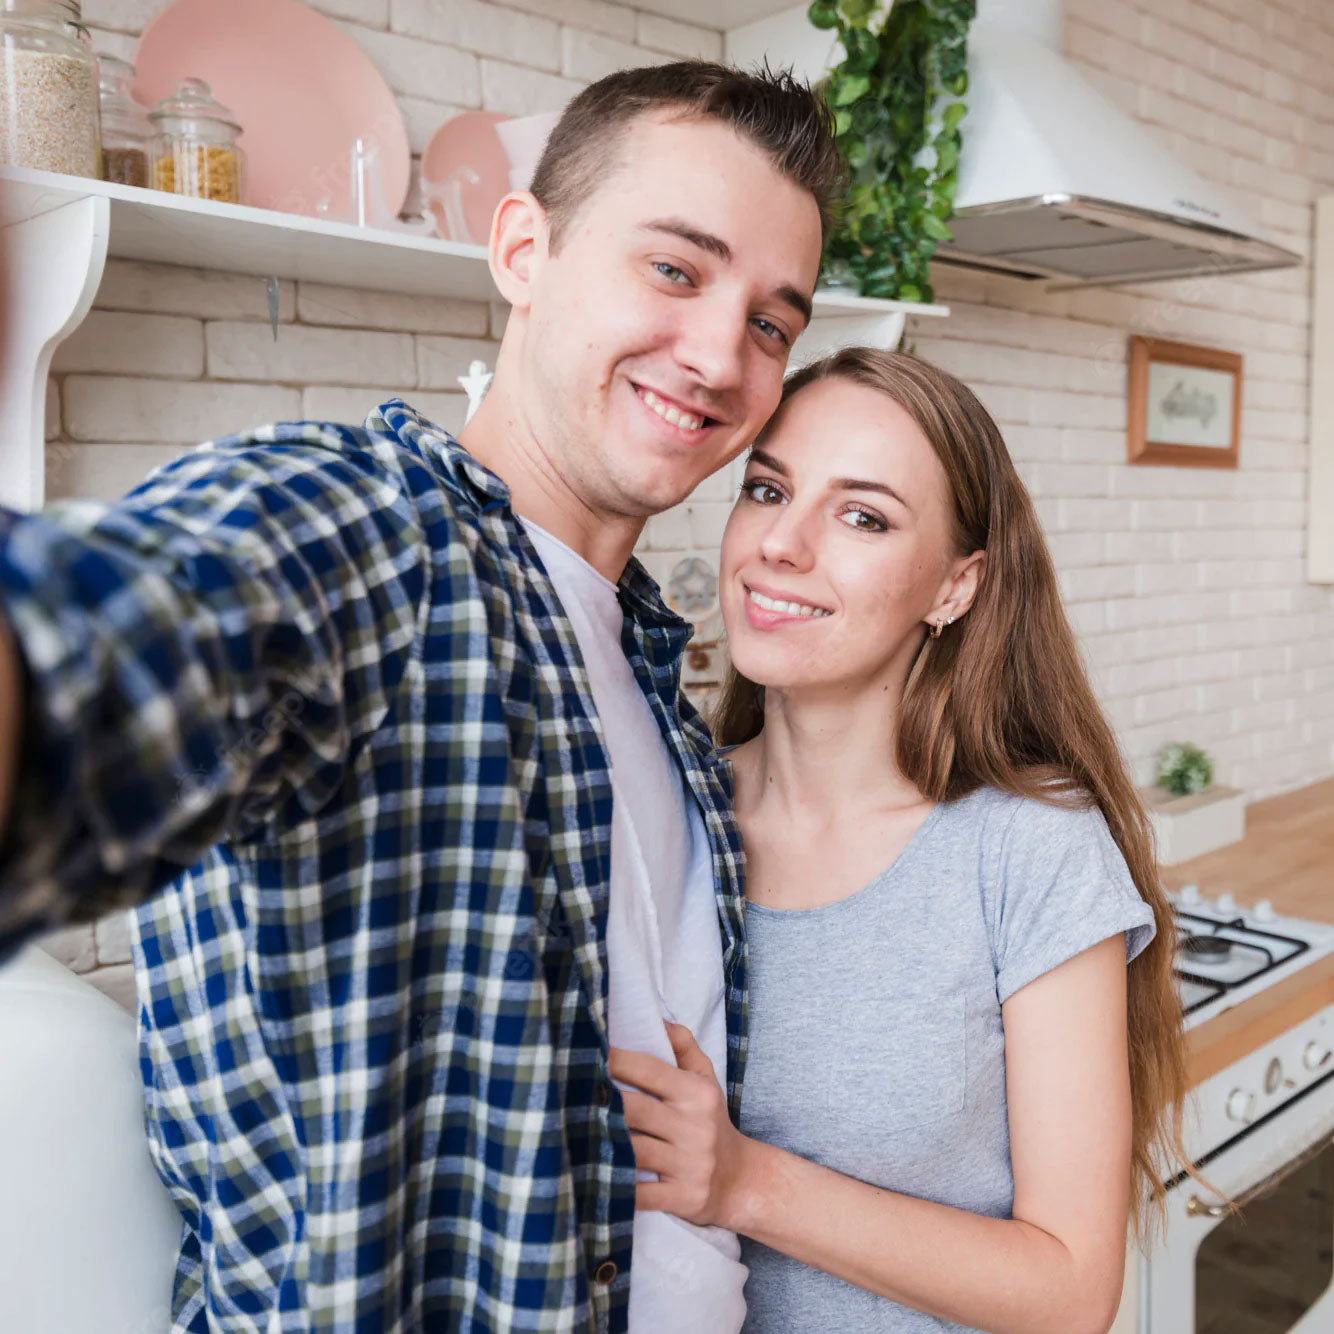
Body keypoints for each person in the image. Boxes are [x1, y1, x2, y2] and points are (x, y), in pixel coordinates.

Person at [0, 62, 842, 1332]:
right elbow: (107, 652)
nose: (722, 353)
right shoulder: (368, 532)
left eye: (772, 321)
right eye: (673, 268)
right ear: (521, 248)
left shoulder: (662, 680)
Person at [609, 347, 1190, 1334]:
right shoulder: (663, 804)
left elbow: (1070, 1288)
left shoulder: (1028, 848)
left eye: (861, 515)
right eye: (766, 488)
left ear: (953, 587)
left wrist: (746, 1181)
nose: (779, 544)